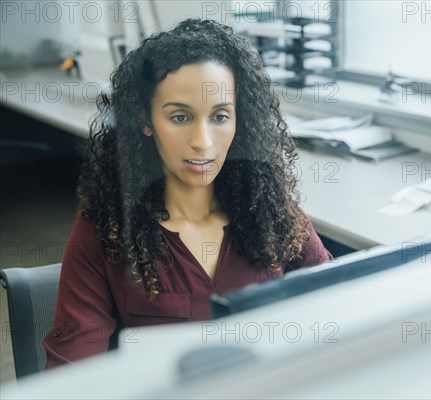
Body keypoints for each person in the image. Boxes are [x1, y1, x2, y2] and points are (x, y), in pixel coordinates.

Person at [43, 18, 333, 367]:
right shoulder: (104, 231)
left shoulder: (273, 215)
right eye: (180, 117)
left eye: (220, 116)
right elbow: (73, 380)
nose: (202, 142)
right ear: (145, 121)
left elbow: (339, 316)